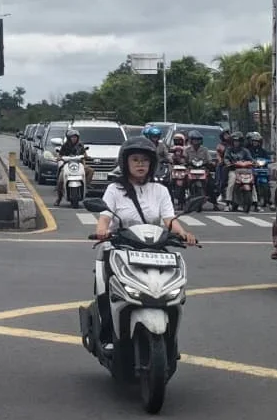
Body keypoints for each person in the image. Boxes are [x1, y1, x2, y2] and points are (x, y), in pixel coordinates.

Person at [92, 136, 199, 350]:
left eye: (144, 160)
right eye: (135, 160)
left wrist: (184, 234)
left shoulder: (160, 190)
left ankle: (170, 339)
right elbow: (104, 217)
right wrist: (101, 231)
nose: (140, 164)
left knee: (172, 291)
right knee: (106, 291)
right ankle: (108, 337)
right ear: (126, 164)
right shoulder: (114, 190)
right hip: (118, 248)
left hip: (154, 249)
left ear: (152, 164)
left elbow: (169, 220)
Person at [55, 128, 93, 206]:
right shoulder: (65, 145)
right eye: (72, 137)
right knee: (60, 181)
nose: (74, 138)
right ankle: (59, 199)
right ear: (69, 138)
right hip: (67, 165)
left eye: (75, 137)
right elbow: (60, 155)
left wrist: (87, 157)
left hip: (79, 165)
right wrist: (59, 158)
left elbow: (85, 154)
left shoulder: (80, 145)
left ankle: (86, 186)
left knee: (90, 170)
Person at [221, 133, 254, 208]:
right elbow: (226, 158)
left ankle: (255, 202)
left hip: (245, 171)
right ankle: (228, 203)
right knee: (231, 183)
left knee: (252, 183)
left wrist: (254, 162)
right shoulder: (229, 150)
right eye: (235, 141)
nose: (236, 143)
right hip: (234, 170)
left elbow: (250, 159)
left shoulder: (245, 150)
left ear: (241, 142)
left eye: (238, 141)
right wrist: (228, 163)